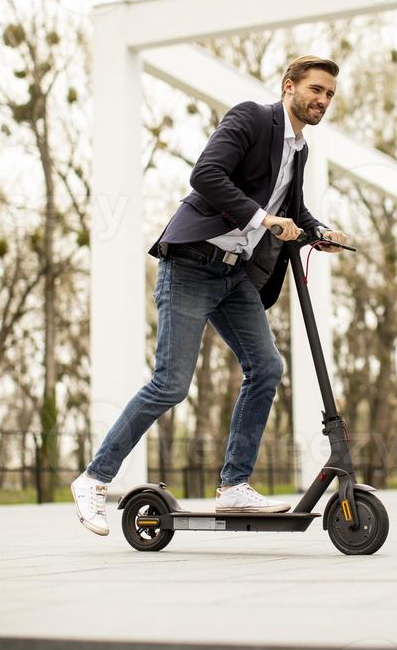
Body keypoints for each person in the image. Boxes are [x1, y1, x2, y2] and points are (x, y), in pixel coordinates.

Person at [71, 55, 348, 535]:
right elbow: (206, 176)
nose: (322, 100)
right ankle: (95, 479)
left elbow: (292, 206)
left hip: (235, 275)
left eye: (329, 95)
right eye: (316, 90)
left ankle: (234, 485)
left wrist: (315, 228)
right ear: (289, 87)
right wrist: (264, 220)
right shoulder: (250, 117)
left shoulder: (299, 150)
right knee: (171, 384)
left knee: (267, 367)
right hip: (191, 265)